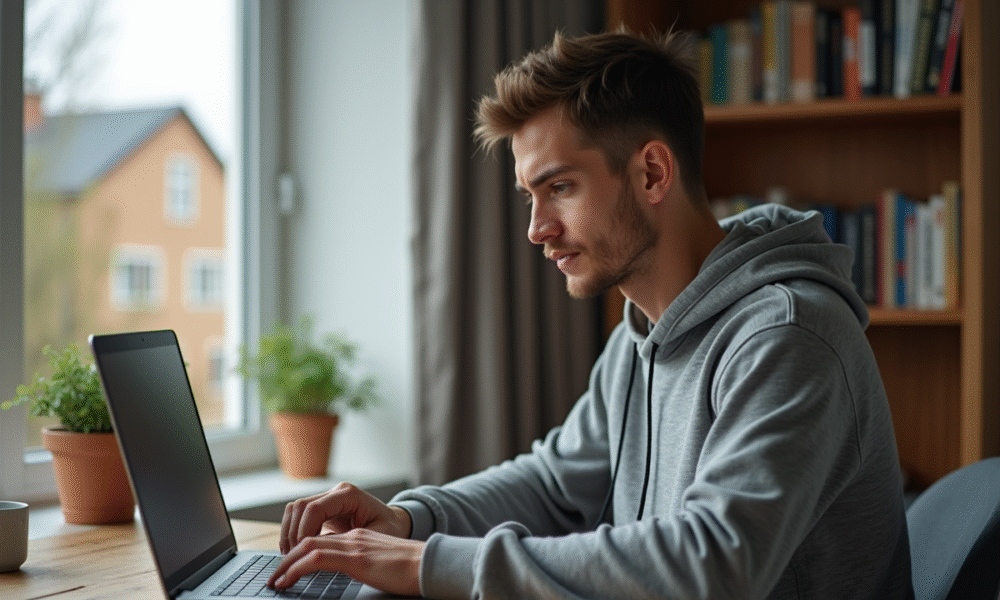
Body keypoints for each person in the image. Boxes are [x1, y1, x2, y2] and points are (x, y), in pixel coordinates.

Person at [267, 29, 912, 599]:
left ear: (653, 173)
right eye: (530, 195)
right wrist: (411, 521)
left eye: (560, 187)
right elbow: (555, 484)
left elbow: (713, 565)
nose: (537, 229)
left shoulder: (789, 336)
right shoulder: (641, 334)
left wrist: (425, 565)